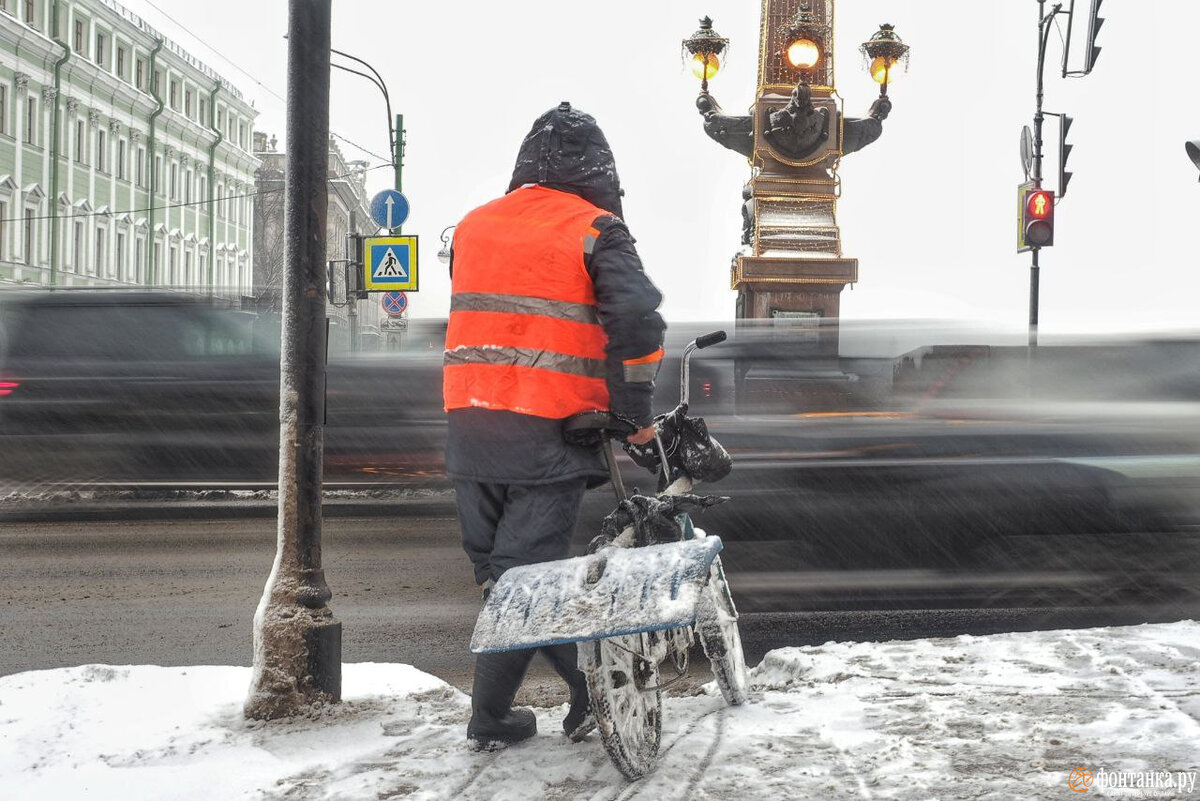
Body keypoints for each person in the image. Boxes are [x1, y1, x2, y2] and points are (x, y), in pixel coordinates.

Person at [443, 101, 666, 750]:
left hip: (469, 429)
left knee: (507, 579)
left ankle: (550, 702)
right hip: (548, 434)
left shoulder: (472, 227)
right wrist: (635, 418)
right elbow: (639, 327)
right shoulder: (595, 228)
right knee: (527, 584)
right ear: (598, 172)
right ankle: (535, 706)